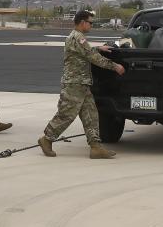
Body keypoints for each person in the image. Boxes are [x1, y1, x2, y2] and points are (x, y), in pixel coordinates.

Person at [38, 9, 125, 159]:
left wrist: (98, 48)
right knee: (66, 115)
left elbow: (86, 51)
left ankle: (96, 147)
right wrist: (114, 66)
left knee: (91, 115)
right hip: (74, 84)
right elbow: (92, 57)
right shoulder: (78, 38)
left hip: (82, 84)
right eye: (90, 22)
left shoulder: (78, 38)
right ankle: (46, 139)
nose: (91, 25)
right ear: (83, 22)